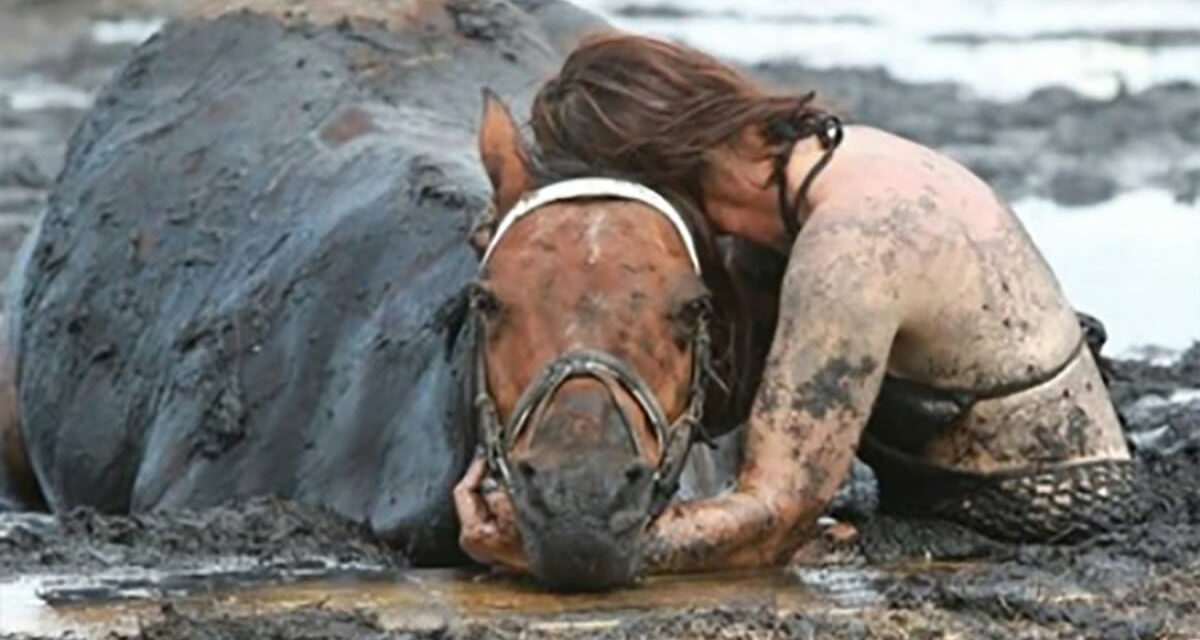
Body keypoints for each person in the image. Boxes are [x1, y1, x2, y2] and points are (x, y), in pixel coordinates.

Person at [457, 33, 1141, 574]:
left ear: (657, 168)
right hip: (957, 492)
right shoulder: (819, 176)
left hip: (1030, 523)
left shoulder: (853, 247)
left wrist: (561, 543)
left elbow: (775, 516)